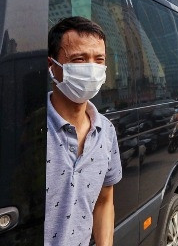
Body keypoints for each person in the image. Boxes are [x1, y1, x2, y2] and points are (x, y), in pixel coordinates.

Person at [46, 17, 122, 246]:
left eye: (99, 60)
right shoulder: (29, 129)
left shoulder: (106, 132)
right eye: (79, 59)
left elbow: (104, 202)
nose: (92, 69)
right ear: (52, 67)